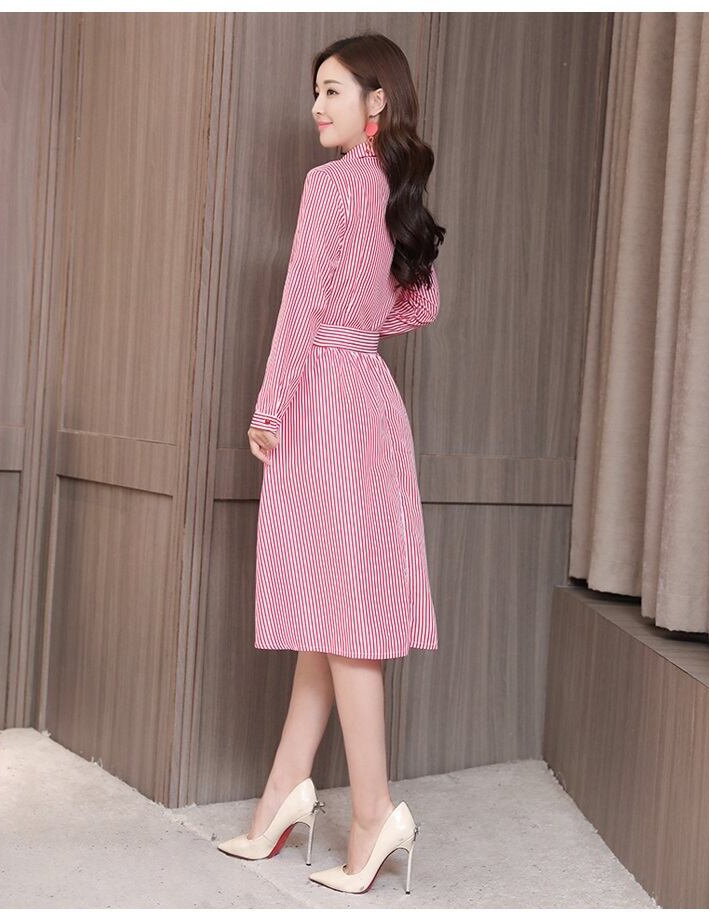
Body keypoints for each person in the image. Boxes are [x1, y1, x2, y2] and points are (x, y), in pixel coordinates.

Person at [218, 32, 445, 895]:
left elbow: (300, 303)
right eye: (314, 91)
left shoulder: (332, 185)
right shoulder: (398, 188)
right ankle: (284, 793)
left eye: (333, 90)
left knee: (340, 610)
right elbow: (418, 308)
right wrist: (360, 326)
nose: (316, 106)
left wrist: (269, 404)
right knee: (330, 601)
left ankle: (374, 812)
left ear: (375, 101)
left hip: (321, 396)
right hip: (371, 397)